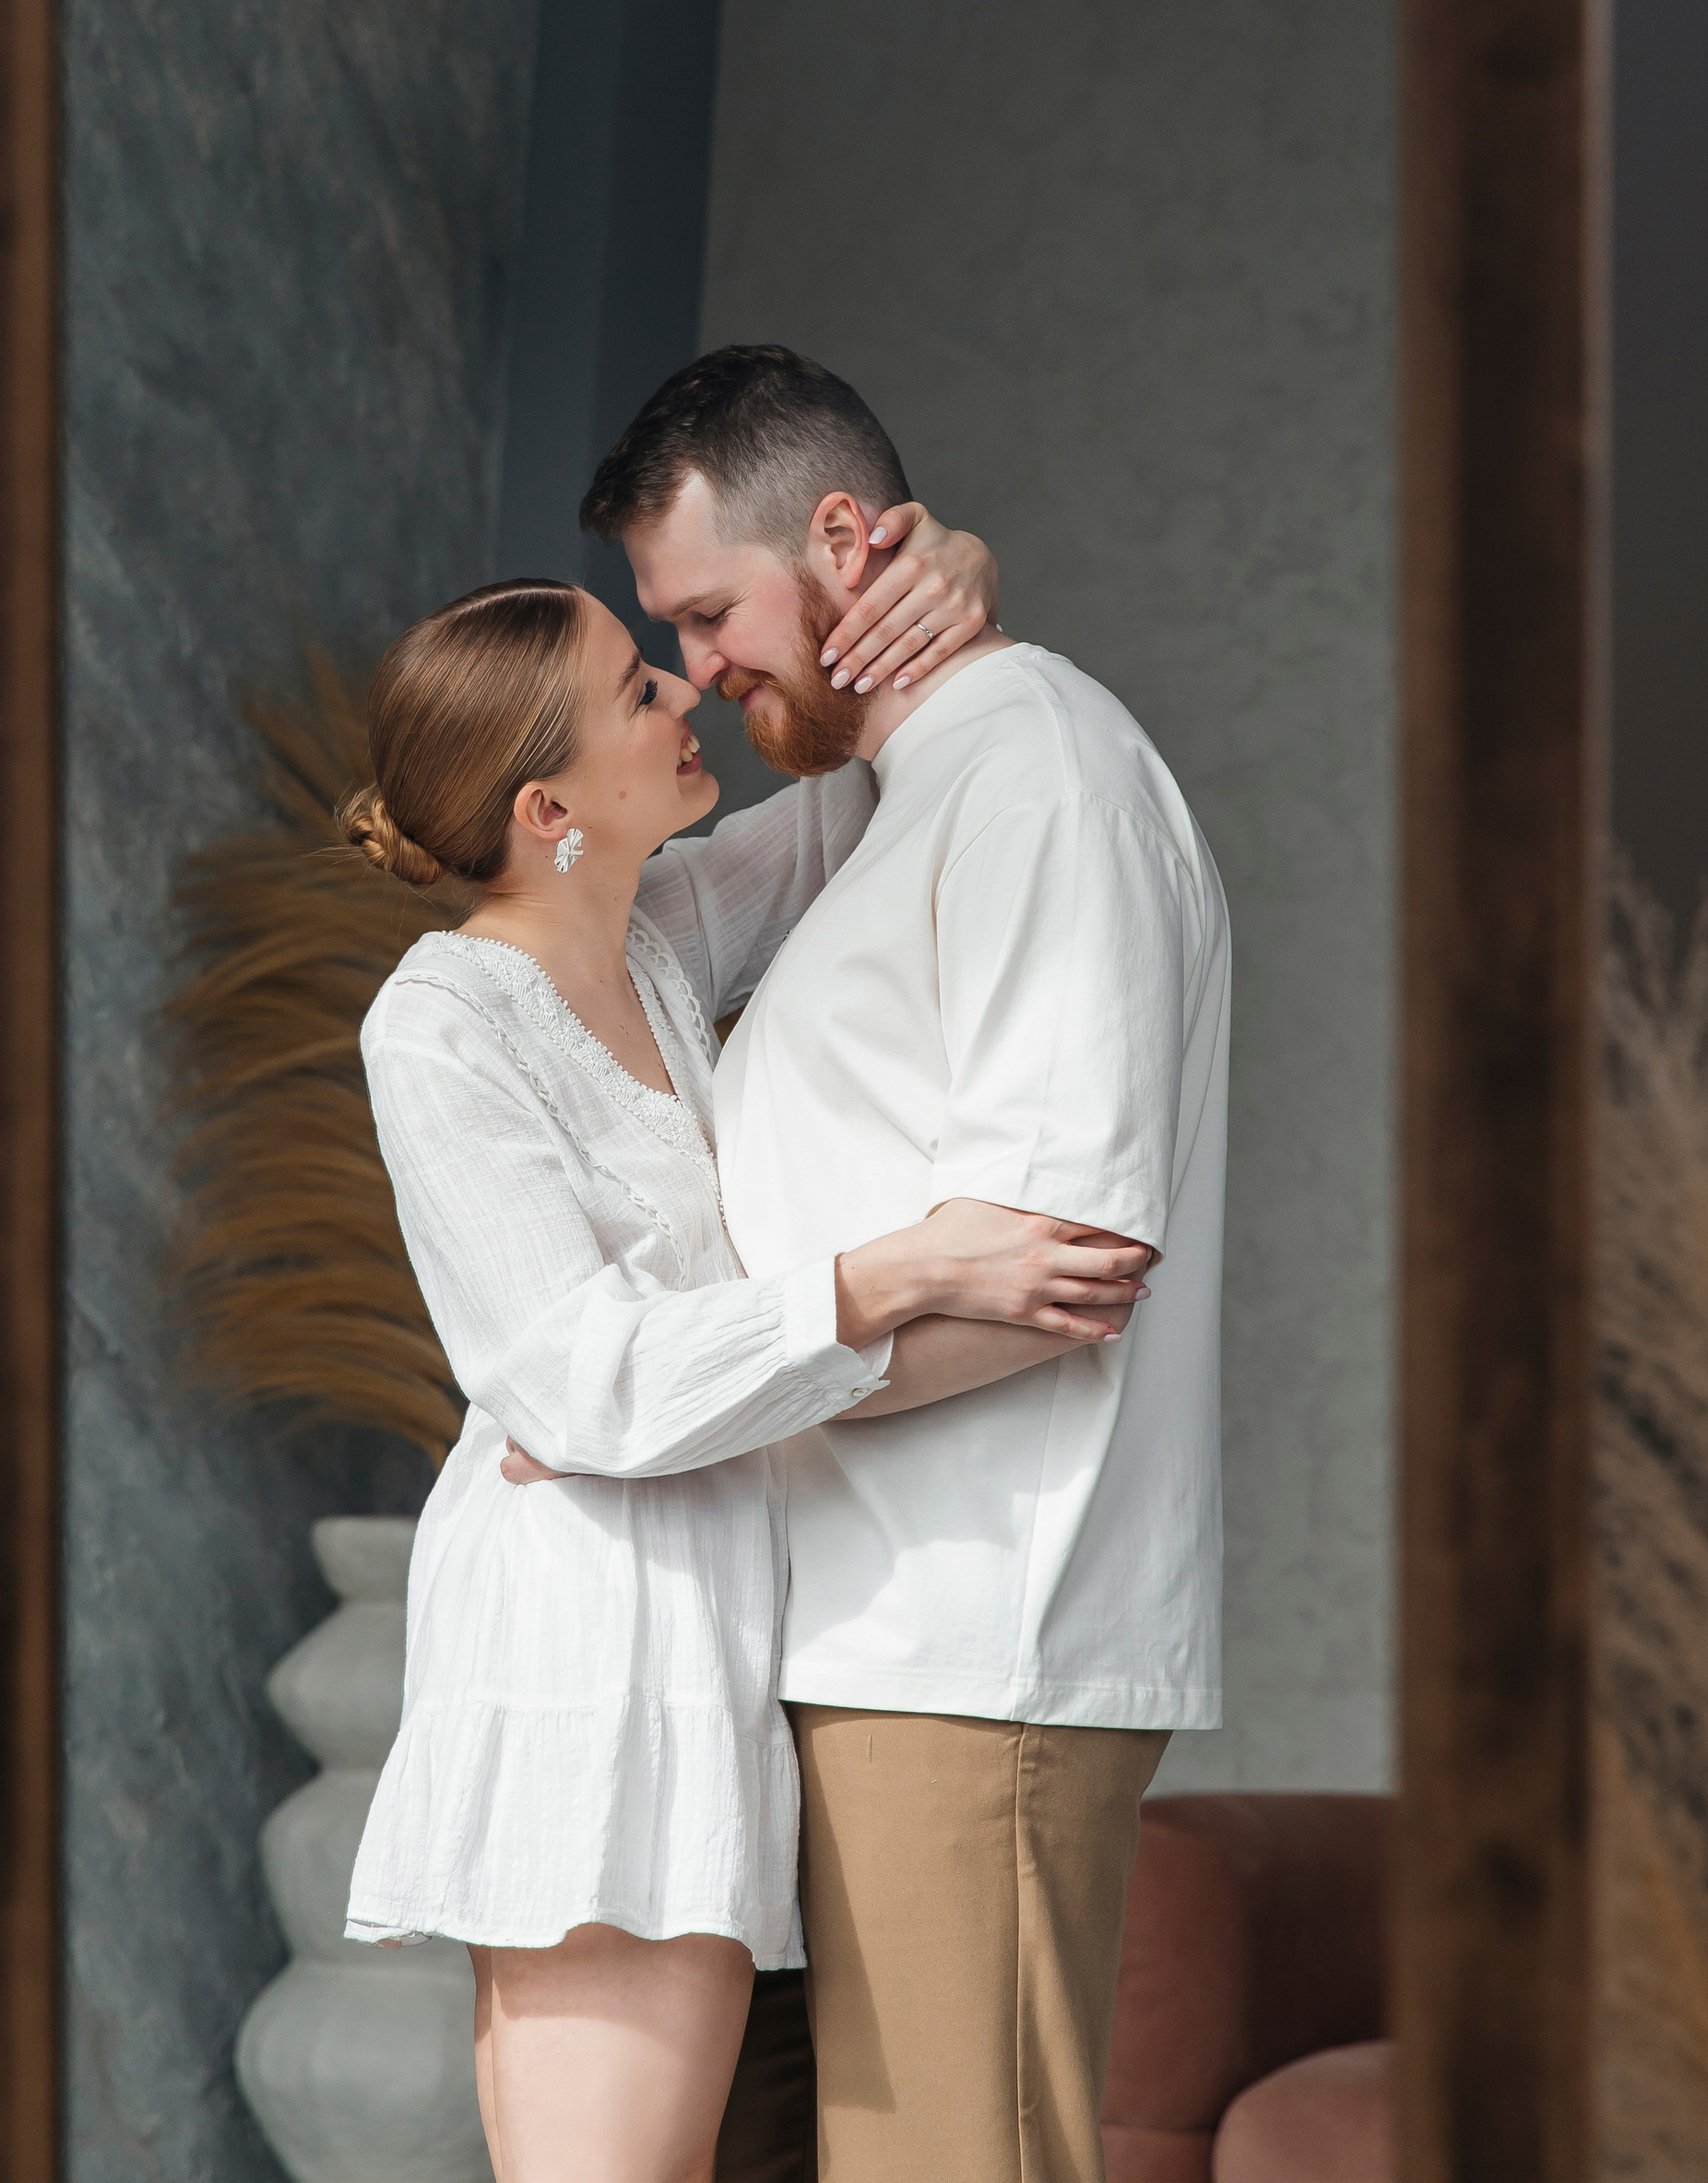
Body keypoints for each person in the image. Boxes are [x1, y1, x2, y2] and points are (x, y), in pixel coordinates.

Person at [338, 514, 1150, 2183]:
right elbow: (579, 1385)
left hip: (697, 1599)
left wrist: (951, 583)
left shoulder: (654, 936)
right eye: (640, 690)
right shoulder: (441, 1022)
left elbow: (861, 786)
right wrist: (902, 1271)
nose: (688, 692)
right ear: (548, 810)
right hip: (588, 1628)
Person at [557, 343, 1232, 2183]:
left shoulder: (1045, 780)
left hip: (968, 1648)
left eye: (708, 615)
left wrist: (706, 1397)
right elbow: (579, 924)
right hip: (825, 1634)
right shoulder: (884, 801)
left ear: (848, 539)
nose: (700, 670)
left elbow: (1067, 1262)